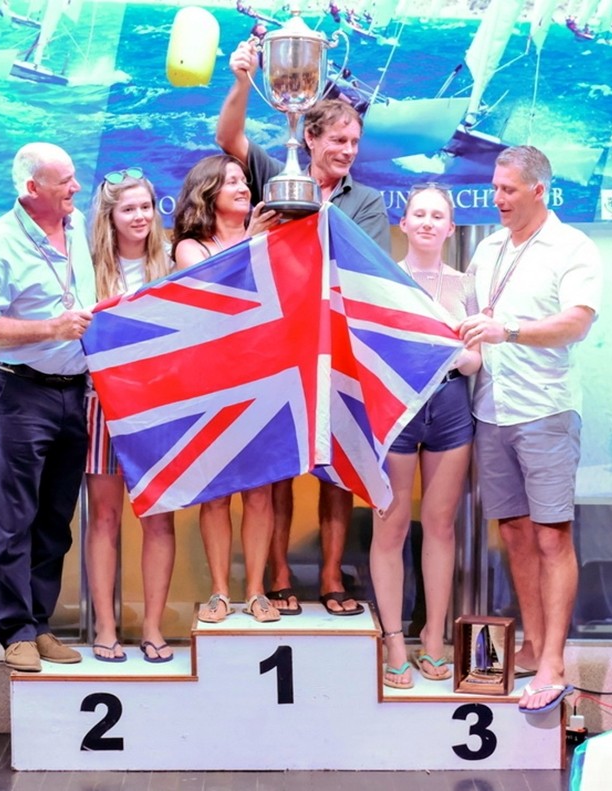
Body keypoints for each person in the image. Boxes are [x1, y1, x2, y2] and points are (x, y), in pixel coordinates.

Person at [215, 40, 390, 617]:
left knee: (338, 464)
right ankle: (280, 572)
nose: (347, 151)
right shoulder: (277, 171)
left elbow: (366, 269)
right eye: (338, 140)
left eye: (354, 143)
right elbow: (229, 139)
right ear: (309, 139)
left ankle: (334, 576)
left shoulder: (368, 200)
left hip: (338, 347)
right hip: (280, 343)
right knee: (282, 463)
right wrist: (242, 81)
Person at [458, 146, 603, 714]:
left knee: (551, 536)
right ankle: (534, 644)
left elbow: (577, 323)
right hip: (490, 409)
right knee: (516, 533)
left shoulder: (573, 247)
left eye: (509, 190)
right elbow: (465, 317)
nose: (497, 199)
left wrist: (510, 331)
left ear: (539, 190)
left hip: (545, 411)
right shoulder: (488, 249)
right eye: (495, 188)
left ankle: (554, 663)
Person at [0, 142, 95, 672]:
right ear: (31, 188)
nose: (76, 187)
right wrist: (51, 329)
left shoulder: (78, 224)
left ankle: (39, 624)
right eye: (65, 181)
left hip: (74, 390)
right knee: (15, 516)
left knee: (56, 517)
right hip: (20, 391)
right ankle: (15, 631)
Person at [370, 185, 481, 689]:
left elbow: (475, 360)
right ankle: (394, 641)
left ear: (451, 228)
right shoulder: (383, 281)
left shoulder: (467, 286)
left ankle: (434, 638)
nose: (428, 222)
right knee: (391, 527)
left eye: (438, 215)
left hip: (451, 404)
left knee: (439, 526)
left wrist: (452, 353)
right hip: (397, 406)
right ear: (404, 222)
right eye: (420, 214)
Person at [172, 154, 281, 624]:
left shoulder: (270, 239)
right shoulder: (190, 247)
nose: (243, 187)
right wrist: (251, 240)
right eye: (231, 181)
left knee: (260, 492)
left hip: (265, 377)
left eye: (244, 180)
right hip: (212, 384)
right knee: (216, 493)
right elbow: (212, 293)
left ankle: (256, 590)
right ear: (208, 192)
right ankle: (219, 591)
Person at [86, 167, 176, 663]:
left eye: (146, 206)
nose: (140, 216)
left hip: (160, 406)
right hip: (102, 402)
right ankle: (105, 627)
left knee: (159, 517)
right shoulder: (88, 268)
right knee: (104, 517)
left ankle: (154, 627)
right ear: (111, 216)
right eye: (129, 209)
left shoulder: (171, 262)